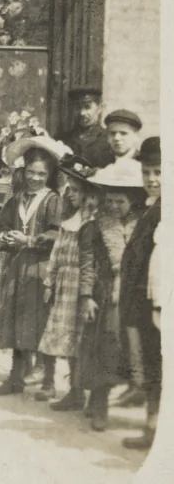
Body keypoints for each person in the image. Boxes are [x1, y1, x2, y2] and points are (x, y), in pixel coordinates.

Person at [0, 136, 64, 395]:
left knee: (42, 321)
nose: (35, 178)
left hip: (42, 269)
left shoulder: (52, 201)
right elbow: (2, 226)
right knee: (17, 318)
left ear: (49, 174)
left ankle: (48, 380)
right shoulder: (16, 199)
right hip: (17, 268)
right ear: (24, 171)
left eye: (41, 174)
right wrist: (3, 238)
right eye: (31, 172)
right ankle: (16, 377)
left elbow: (57, 235)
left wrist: (28, 240)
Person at [77, 162, 145, 431]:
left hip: (133, 296)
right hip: (104, 298)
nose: (115, 206)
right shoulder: (96, 227)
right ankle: (100, 403)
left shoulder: (143, 225)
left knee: (127, 352)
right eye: (111, 200)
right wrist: (85, 296)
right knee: (102, 351)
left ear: (133, 201)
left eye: (121, 201)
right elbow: (87, 263)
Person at [41, 154, 98, 408]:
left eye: (76, 190)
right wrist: (49, 280)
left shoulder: (91, 221)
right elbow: (57, 252)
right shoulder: (68, 219)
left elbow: (93, 259)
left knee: (80, 339)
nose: (70, 194)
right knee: (66, 339)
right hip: (64, 284)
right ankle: (73, 391)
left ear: (87, 193)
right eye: (68, 189)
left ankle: (79, 391)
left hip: (81, 285)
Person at [121, 135, 162, 448]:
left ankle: (156, 432)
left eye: (159, 172)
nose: (152, 179)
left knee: (159, 366)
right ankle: (152, 428)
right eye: (147, 172)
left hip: (158, 301)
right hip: (143, 300)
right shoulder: (152, 208)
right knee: (150, 362)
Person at [63, 85, 113, 168]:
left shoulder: (109, 140)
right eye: (78, 107)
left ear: (99, 108)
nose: (82, 113)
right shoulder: (64, 139)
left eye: (87, 107)